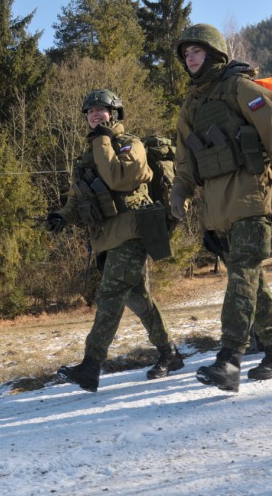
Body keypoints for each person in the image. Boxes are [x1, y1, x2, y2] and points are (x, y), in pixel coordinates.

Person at [170, 23, 272, 392]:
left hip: (252, 200)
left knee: (242, 276)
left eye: (196, 51)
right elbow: (185, 161)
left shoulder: (242, 88)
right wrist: (179, 196)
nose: (190, 58)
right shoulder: (192, 105)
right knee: (250, 281)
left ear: (214, 53)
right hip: (217, 211)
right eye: (186, 54)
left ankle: (229, 359)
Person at [46, 89, 184, 392]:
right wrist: (62, 216)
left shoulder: (129, 144)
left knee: (110, 296)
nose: (95, 115)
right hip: (106, 238)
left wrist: (103, 140)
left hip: (133, 233)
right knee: (138, 298)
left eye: (101, 110)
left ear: (115, 114)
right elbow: (77, 197)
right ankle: (169, 353)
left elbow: (119, 178)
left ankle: (91, 365)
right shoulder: (88, 155)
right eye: (90, 111)